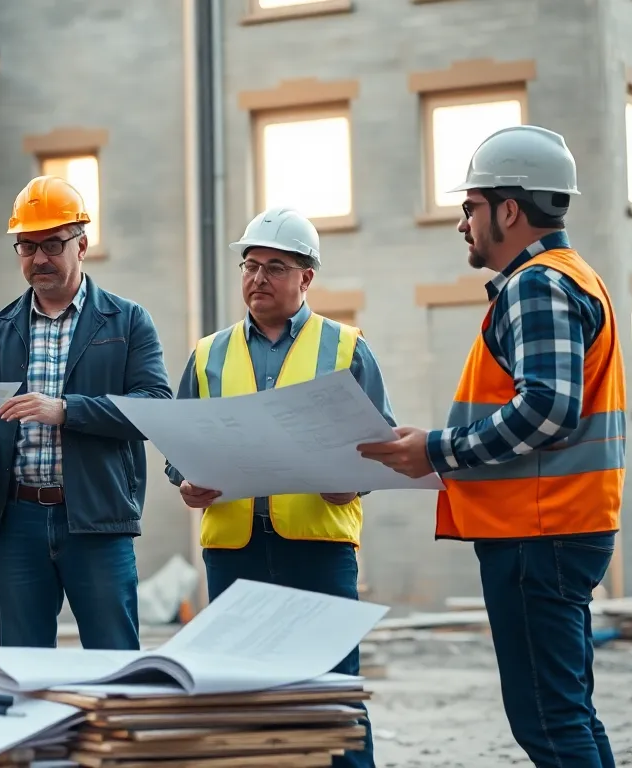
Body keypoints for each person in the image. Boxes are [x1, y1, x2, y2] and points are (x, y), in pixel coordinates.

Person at [358, 125, 625, 768]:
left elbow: (547, 411)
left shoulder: (537, 286)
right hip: (558, 526)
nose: (462, 223)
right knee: (567, 710)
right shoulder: (572, 277)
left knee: (548, 720)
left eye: (471, 207)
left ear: (510, 209)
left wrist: (437, 450)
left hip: (540, 532)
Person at [164, 206, 392, 768]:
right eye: (250, 265)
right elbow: (180, 440)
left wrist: (352, 485)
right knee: (241, 694)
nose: (258, 278)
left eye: (275, 266)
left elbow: (380, 445)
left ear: (306, 277)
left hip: (318, 545)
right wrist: (186, 482)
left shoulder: (346, 348)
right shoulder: (208, 353)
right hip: (234, 548)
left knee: (332, 694)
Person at [0, 175, 173, 651]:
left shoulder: (128, 321)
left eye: (52, 243)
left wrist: (66, 410)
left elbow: (156, 408)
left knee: (113, 665)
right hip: (17, 523)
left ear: (82, 244)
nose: (39, 258)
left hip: (97, 518)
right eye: (26, 246)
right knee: (24, 667)